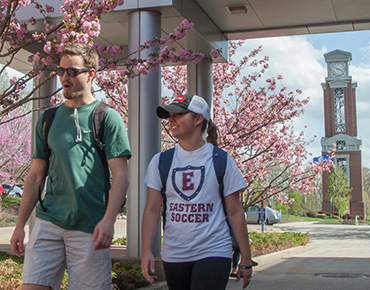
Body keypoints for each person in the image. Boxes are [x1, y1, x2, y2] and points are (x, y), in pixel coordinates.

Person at [10, 43, 131, 289]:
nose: (65, 77)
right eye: (61, 70)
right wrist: (20, 225)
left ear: (91, 74)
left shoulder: (107, 117)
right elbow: (34, 176)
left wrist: (109, 220)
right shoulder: (48, 118)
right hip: (48, 221)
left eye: (73, 71)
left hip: (90, 227)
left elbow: (121, 175)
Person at [141, 94, 253, 290]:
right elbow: (151, 210)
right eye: (169, 116)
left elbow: (235, 212)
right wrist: (146, 251)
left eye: (178, 114)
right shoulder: (160, 162)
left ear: (198, 119)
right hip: (174, 254)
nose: (171, 120)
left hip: (214, 250)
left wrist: (246, 257)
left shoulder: (222, 160)